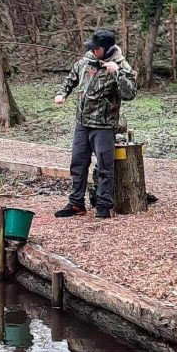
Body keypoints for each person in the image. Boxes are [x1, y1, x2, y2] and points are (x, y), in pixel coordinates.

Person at [53, 29, 137, 219]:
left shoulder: (121, 66)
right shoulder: (86, 61)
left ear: (105, 49)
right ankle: (76, 204)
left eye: (96, 48)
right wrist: (62, 93)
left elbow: (130, 94)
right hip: (82, 123)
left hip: (104, 125)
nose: (93, 50)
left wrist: (117, 74)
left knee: (105, 167)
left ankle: (103, 206)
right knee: (78, 163)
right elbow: (71, 78)